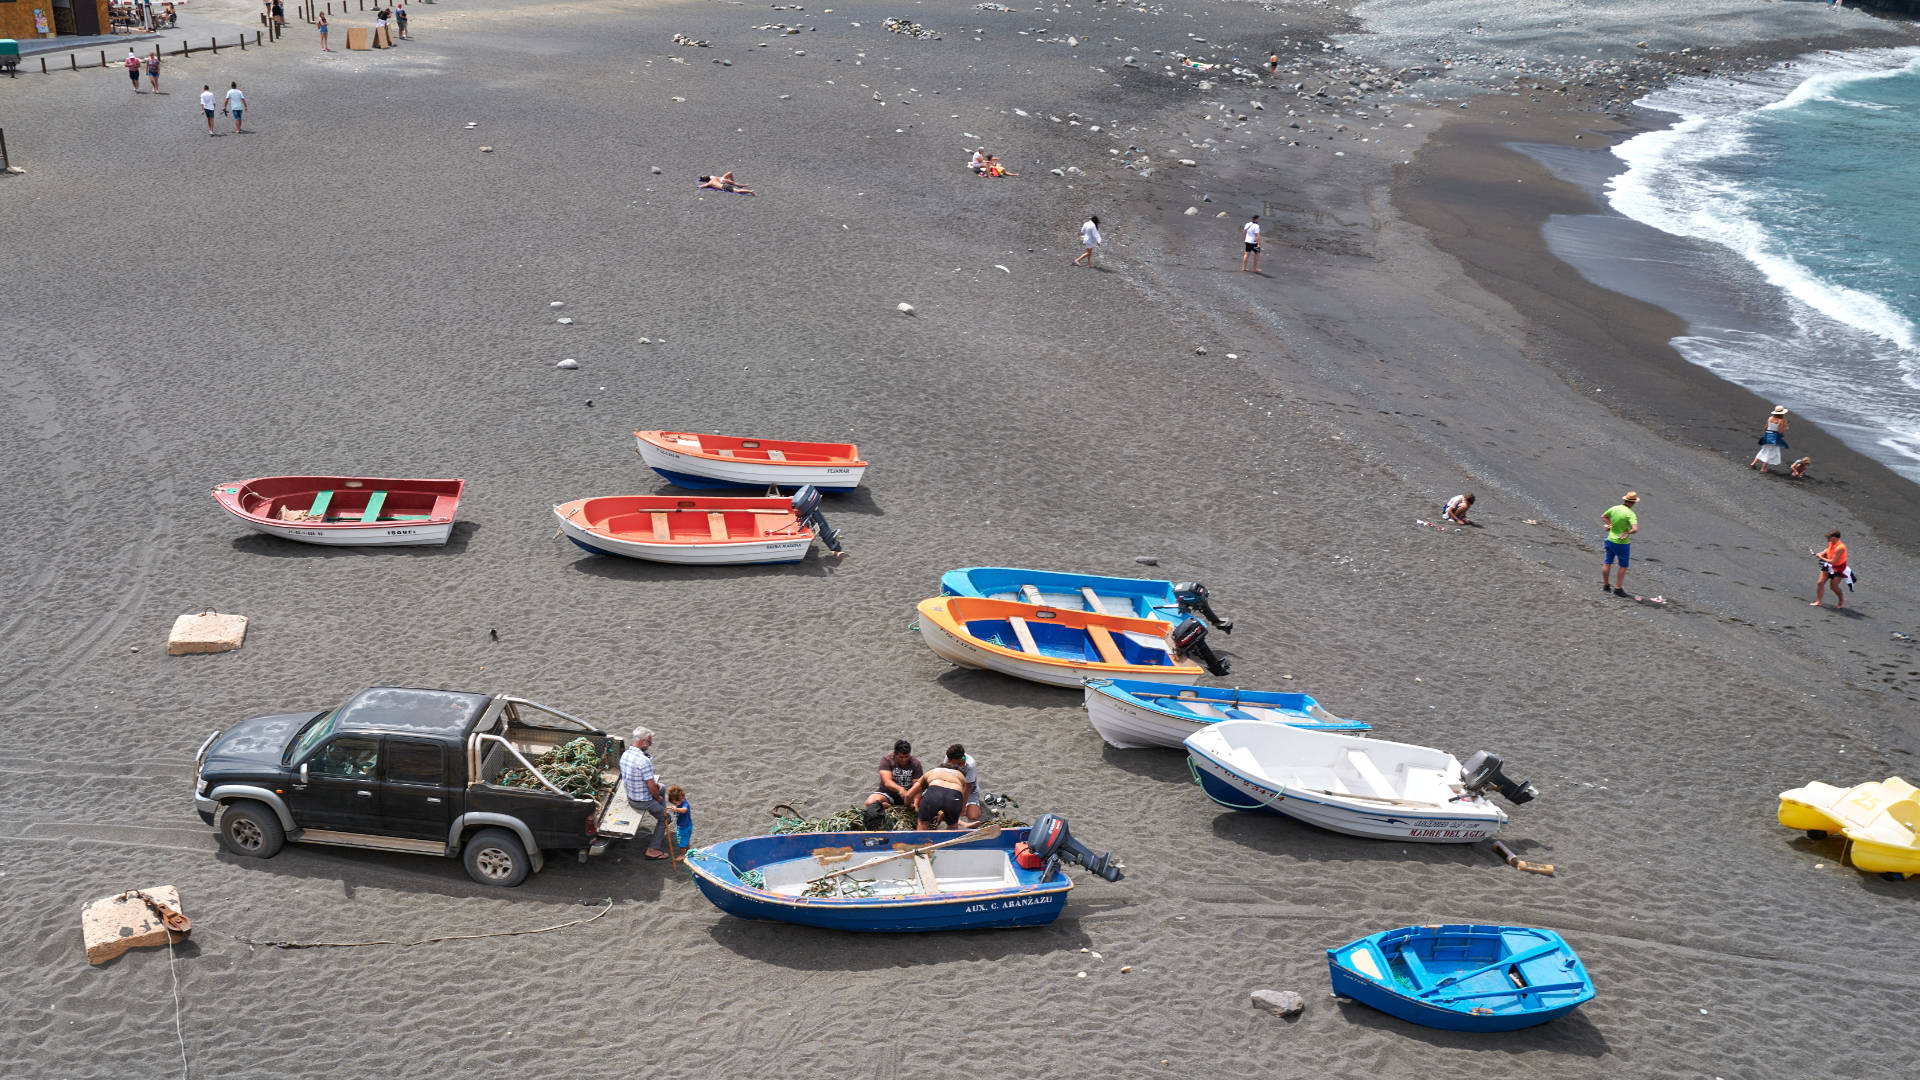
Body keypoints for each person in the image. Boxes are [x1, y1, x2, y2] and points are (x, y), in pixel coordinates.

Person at [619, 726, 672, 859]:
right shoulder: (644, 761)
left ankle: (662, 810)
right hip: (642, 801)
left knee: (663, 787)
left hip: (631, 795)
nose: (649, 746)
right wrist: (658, 799)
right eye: (649, 743)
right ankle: (652, 850)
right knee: (666, 819)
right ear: (643, 741)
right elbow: (651, 788)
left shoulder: (625, 755)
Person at [904, 757, 968, 830]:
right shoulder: (960, 776)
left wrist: (909, 806)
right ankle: (951, 840)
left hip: (934, 792)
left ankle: (921, 840)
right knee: (952, 824)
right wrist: (945, 814)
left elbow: (908, 795)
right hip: (954, 795)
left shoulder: (932, 771)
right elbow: (958, 799)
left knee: (923, 823)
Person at [864, 739, 923, 811]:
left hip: (909, 795)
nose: (904, 760)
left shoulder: (915, 763)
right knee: (869, 803)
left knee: (929, 803)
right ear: (895, 754)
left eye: (906, 757)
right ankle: (887, 805)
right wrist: (900, 789)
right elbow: (887, 782)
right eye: (901, 757)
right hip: (888, 794)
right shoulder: (887, 760)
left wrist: (915, 803)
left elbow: (917, 786)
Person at [1600, 492, 1639, 596]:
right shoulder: (1630, 514)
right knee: (1623, 565)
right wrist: (1627, 532)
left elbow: (1603, 516)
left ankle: (1606, 585)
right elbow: (1635, 529)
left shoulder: (1615, 508)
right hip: (1622, 543)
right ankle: (1618, 588)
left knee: (1607, 562)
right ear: (1633, 502)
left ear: (1625, 500)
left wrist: (1611, 525)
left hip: (1610, 539)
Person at [1813, 530, 1851, 609]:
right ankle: (1818, 601)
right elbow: (1827, 550)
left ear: (1834, 538)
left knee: (1833, 587)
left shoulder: (1840, 548)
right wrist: (1822, 553)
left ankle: (1841, 599)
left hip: (1838, 568)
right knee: (1820, 583)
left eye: (1829, 538)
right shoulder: (1831, 542)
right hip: (1828, 565)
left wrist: (1821, 557)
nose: (1827, 539)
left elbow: (1833, 562)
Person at [950, 743, 984, 826]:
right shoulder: (949, 757)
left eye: (952, 762)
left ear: (960, 759)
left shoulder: (970, 765)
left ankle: (976, 806)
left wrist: (963, 807)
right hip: (954, 788)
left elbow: (967, 787)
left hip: (970, 792)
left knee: (973, 816)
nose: (950, 762)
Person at [1751, 405, 1790, 473]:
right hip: (1774, 438)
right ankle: (1763, 468)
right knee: (1770, 453)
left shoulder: (1770, 418)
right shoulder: (1781, 420)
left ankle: (1753, 463)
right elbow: (1780, 431)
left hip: (1767, 436)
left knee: (1763, 450)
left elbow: (1765, 428)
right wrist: (1785, 427)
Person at [664, 784, 693, 857]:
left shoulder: (685, 804)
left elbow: (684, 810)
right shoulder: (681, 802)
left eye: (677, 802)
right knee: (686, 839)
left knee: (680, 841)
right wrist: (676, 809)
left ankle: (682, 855)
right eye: (674, 802)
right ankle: (688, 852)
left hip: (683, 827)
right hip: (688, 825)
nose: (676, 803)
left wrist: (676, 809)